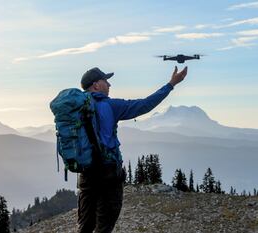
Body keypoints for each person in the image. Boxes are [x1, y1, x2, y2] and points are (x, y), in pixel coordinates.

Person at [77, 66, 188, 233]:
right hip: (109, 175)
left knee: (85, 227)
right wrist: (171, 84)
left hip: (86, 174)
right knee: (104, 226)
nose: (109, 84)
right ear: (96, 85)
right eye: (105, 81)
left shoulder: (75, 107)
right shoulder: (111, 105)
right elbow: (144, 105)